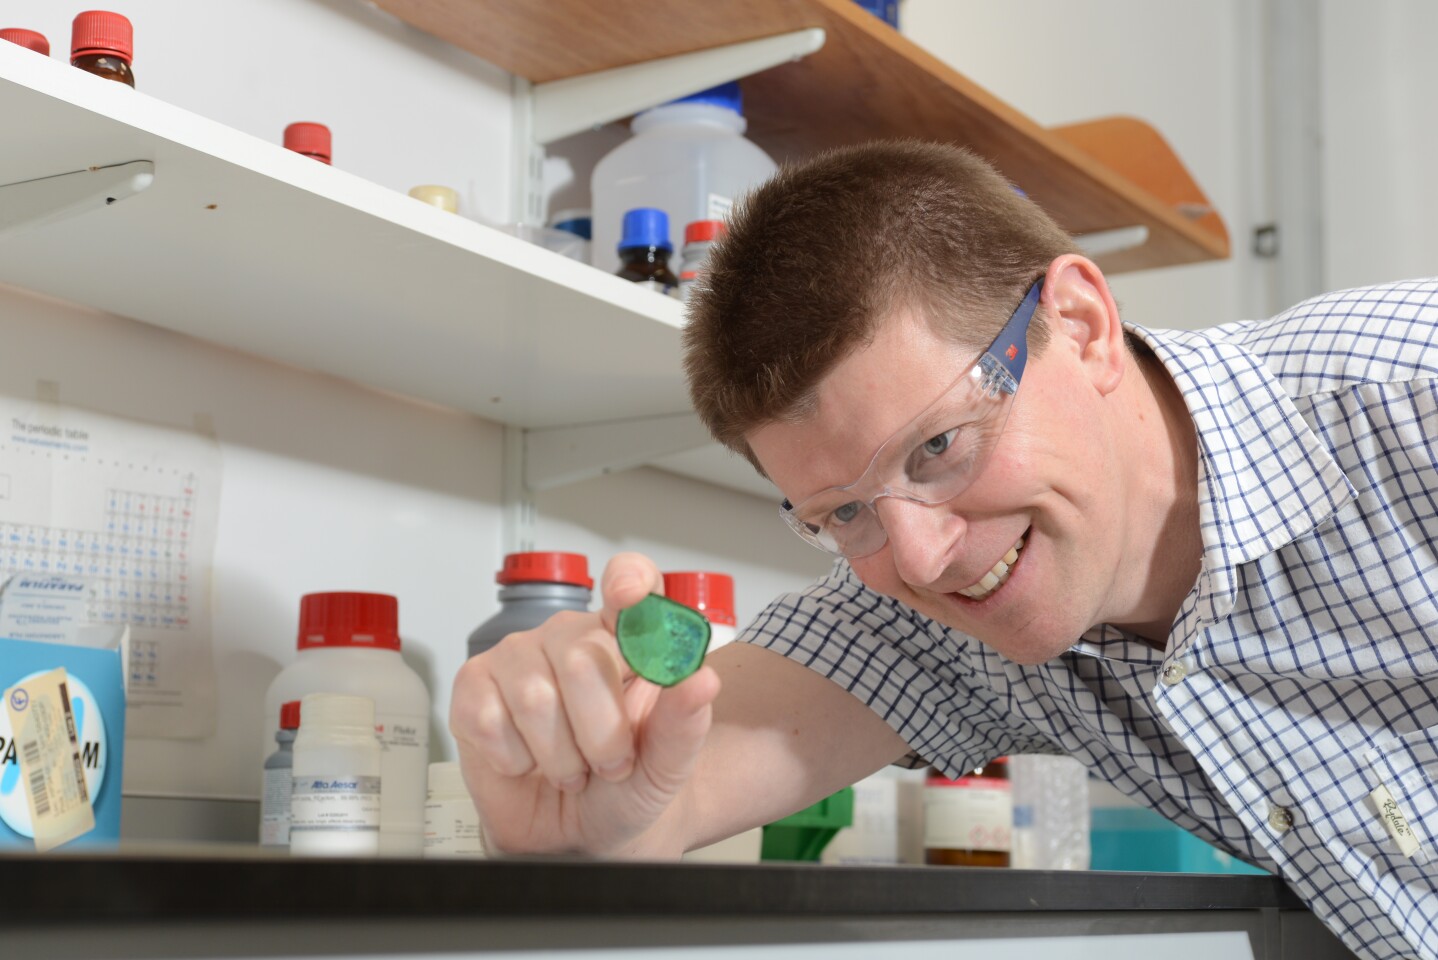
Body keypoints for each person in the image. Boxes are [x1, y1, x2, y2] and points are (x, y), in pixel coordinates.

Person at [450, 141, 1437, 960]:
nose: (917, 561)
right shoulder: (937, 613)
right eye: (841, 514)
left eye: (938, 447)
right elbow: (663, 794)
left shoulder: (1411, 400)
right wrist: (578, 814)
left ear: (1082, 326)